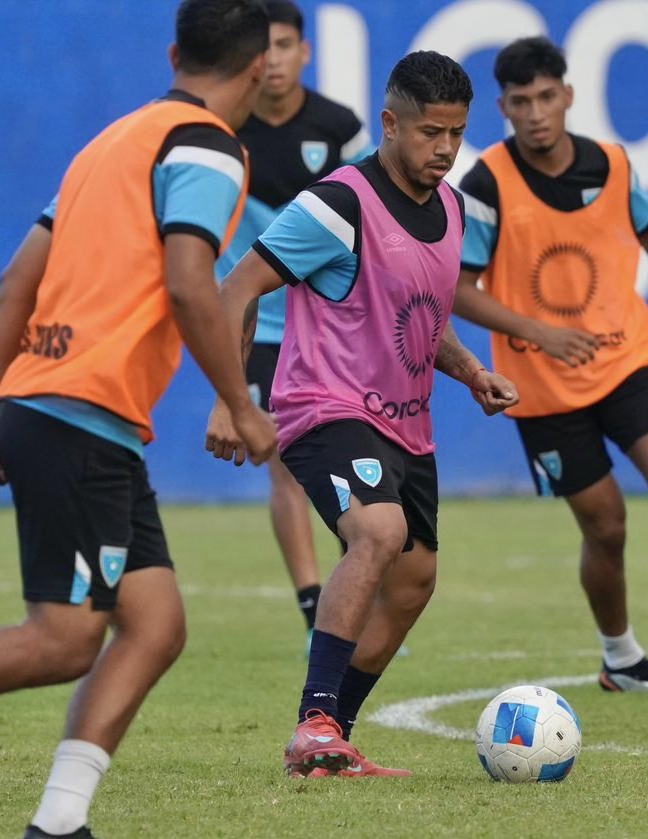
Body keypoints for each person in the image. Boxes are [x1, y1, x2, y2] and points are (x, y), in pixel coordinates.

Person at [0, 2, 275, 837]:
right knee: (61, 640)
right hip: (79, 414)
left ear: (174, 53)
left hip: (62, 408)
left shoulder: (110, 143)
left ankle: (59, 823)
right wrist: (240, 403)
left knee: (155, 624)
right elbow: (189, 281)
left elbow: (15, 282)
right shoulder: (207, 147)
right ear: (262, 68)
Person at [208, 50, 519, 777]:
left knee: (414, 581)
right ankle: (315, 720)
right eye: (429, 132)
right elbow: (238, 286)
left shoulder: (446, 207)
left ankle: (328, 740)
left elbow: (421, 314)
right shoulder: (337, 202)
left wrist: (473, 371)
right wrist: (231, 398)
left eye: (455, 133)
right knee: (378, 531)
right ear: (389, 123)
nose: (444, 149)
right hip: (323, 407)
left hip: (407, 423)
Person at [454, 36, 648, 693]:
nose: (534, 112)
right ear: (501, 109)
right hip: (541, 389)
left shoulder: (612, 165)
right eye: (518, 101)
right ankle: (620, 657)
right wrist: (536, 330)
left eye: (544, 97)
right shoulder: (487, 183)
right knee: (606, 525)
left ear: (566, 95)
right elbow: (456, 286)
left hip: (625, 361)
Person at [209, 0, 374, 648]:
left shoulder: (339, 127)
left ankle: (348, 590)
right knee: (281, 460)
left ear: (304, 52)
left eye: (285, 45)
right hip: (260, 324)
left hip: (331, 323)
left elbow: (376, 206)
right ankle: (314, 606)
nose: (273, 59)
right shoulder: (225, 129)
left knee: (348, 455)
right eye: (264, 48)